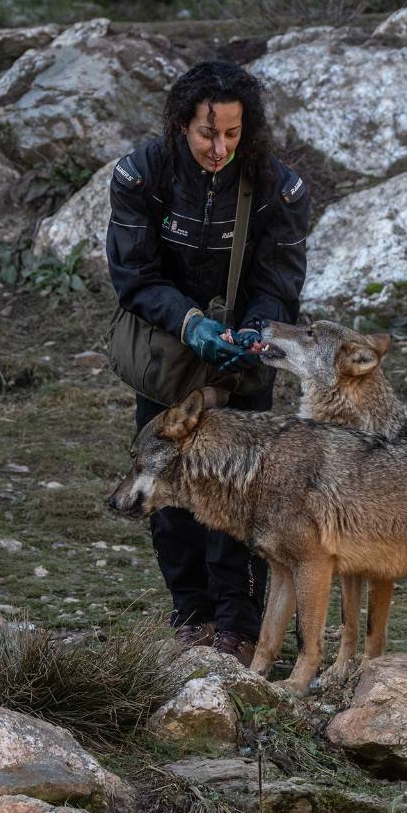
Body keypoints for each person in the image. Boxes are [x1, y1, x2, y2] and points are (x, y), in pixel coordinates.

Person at [106, 60, 310, 664]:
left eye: (230, 134)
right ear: (180, 125)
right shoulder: (141, 175)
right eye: (205, 133)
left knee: (245, 494)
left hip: (244, 362)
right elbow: (133, 275)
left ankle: (238, 626)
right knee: (168, 488)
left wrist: (252, 329)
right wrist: (191, 323)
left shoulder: (279, 186)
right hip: (169, 357)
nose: (219, 147)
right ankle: (190, 615)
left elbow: (281, 278)